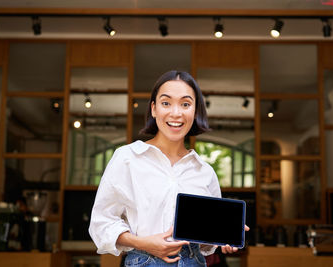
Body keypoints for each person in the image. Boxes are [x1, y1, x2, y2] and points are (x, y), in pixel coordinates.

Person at [89, 70, 248, 267]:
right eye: (166, 103)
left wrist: (225, 236)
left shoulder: (204, 172)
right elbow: (101, 223)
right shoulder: (128, 158)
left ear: (195, 111)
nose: (176, 113)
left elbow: (205, 243)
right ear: (154, 109)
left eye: (185, 104)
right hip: (144, 261)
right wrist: (143, 243)